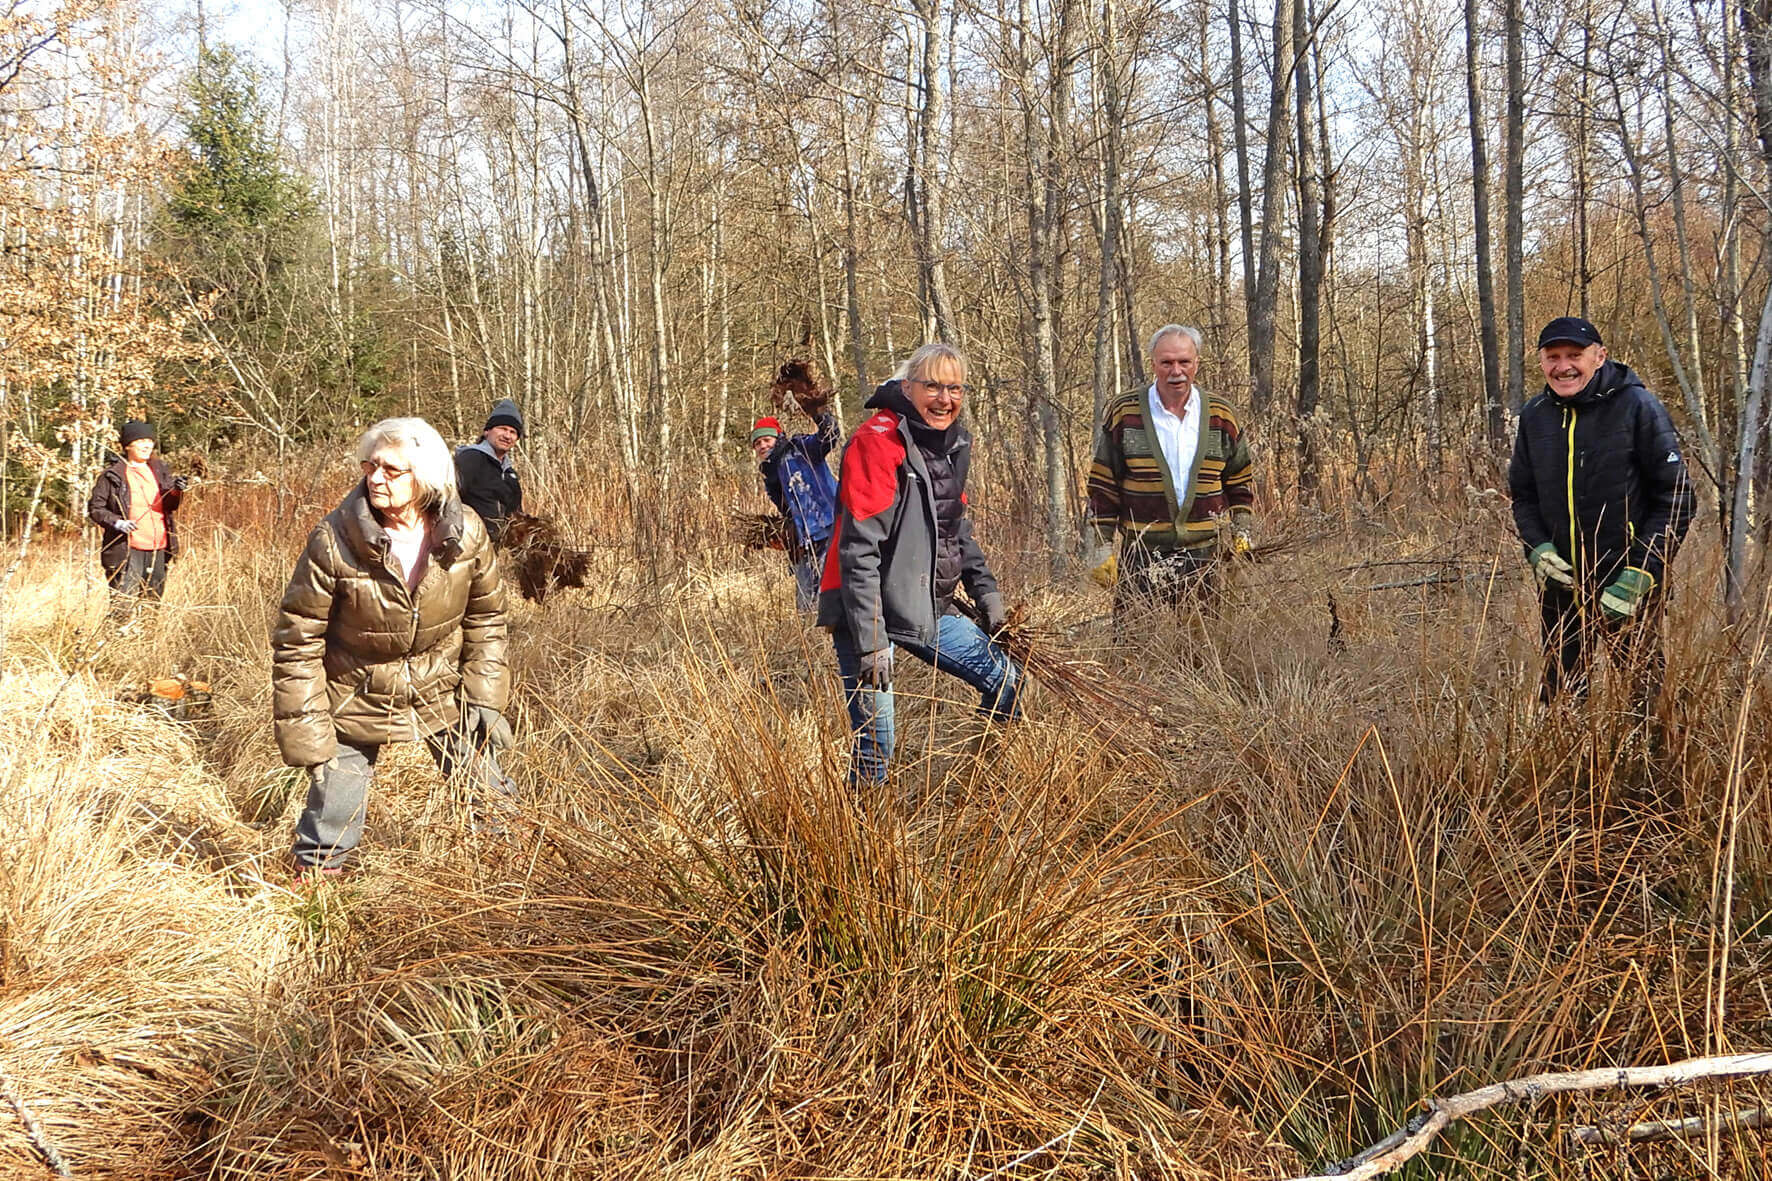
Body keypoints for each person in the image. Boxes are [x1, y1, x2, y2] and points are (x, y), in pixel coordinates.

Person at [273, 417, 515, 878]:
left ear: (426, 476)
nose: (375, 478)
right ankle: (314, 894)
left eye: (391, 469)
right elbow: (298, 639)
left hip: (441, 684)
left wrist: (485, 696)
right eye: (370, 466)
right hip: (354, 690)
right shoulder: (334, 540)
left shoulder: (466, 531)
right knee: (331, 814)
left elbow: (486, 619)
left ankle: (511, 883)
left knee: (493, 801)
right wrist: (307, 730)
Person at [817, 342, 1020, 784]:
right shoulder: (877, 442)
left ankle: (976, 788)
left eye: (955, 388)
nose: (945, 399)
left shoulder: (950, 444)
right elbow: (859, 550)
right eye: (932, 387)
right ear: (907, 388)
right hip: (863, 610)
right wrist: (872, 643)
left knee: (1008, 682)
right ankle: (861, 824)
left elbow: (955, 529)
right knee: (877, 744)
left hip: (922, 602)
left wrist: (987, 595)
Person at [1508, 316, 1696, 709]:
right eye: (1553, 356)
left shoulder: (1637, 406)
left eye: (1574, 355)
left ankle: (1650, 749)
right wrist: (1538, 548)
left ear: (1599, 356)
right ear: (1541, 361)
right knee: (1562, 697)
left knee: (1643, 697)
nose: (1563, 366)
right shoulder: (1535, 415)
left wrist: (1640, 574)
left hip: (1627, 581)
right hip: (1561, 586)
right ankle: (1570, 748)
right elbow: (1523, 496)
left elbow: (1678, 496)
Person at [1085, 325, 1256, 610]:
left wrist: (1242, 533)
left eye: (1184, 362)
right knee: (1137, 636)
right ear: (1153, 364)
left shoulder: (1221, 415)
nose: (1176, 371)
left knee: (1204, 636)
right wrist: (1101, 549)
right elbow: (1103, 485)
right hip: (1141, 559)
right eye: (1166, 362)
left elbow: (1240, 480)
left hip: (1206, 559)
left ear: (1196, 363)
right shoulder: (1125, 412)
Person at [752, 359, 841, 611]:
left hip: (830, 528)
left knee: (830, 599)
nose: (762, 446)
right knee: (805, 607)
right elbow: (788, 511)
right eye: (757, 444)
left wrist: (818, 413)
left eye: (766, 440)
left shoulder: (800, 448)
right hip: (805, 542)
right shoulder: (770, 474)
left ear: (778, 437)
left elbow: (829, 437)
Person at [86, 420, 188, 622]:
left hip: (158, 547)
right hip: (126, 548)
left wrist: (177, 490)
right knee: (123, 606)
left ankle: (147, 639)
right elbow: (96, 509)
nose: (147, 445)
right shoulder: (112, 475)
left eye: (150, 441)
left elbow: (170, 505)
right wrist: (118, 523)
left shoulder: (159, 469)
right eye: (141, 441)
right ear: (127, 445)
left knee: (152, 605)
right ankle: (116, 639)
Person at [455, 399, 524, 543]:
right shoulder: (470, 459)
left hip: (502, 548)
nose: (507, 436)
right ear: (487, 431)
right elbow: (449, 499)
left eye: (513, 432)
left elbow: (517, 515)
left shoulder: (510, 474)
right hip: (471, 544)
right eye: (502, 428)